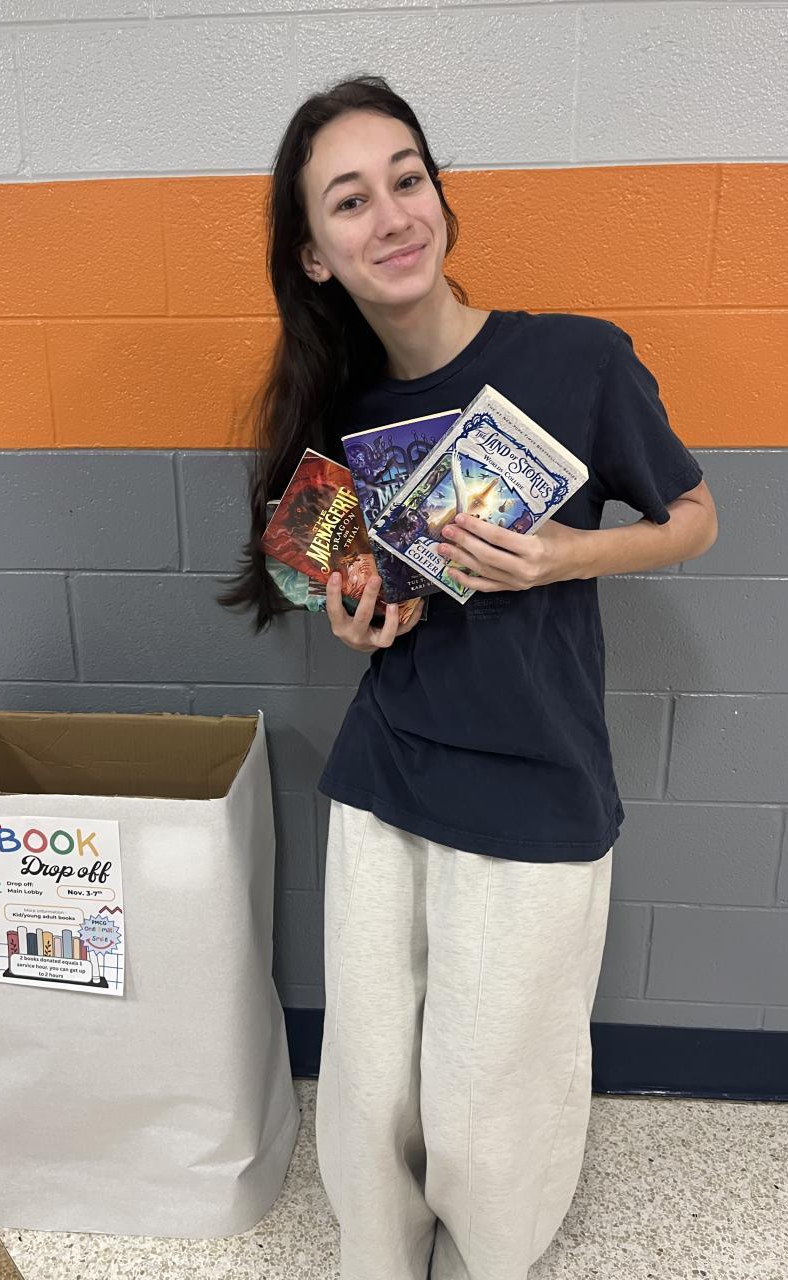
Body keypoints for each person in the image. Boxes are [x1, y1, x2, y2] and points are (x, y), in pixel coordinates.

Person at [217, 75, 718, 1280]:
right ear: (315, 253)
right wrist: (357, 620)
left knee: (495, 1094)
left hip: (537, 781)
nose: (391, 214)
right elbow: (329, 578)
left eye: (408, 179)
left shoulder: (578, 359)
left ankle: (490, 1257)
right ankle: (380, 1255)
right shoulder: (340, 410)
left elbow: (696, 516)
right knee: (371, 1079)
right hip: (388, 777)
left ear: (442, 198)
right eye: (350, 199)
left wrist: (564, 554)